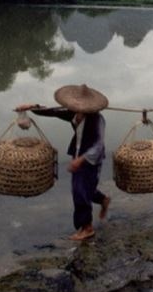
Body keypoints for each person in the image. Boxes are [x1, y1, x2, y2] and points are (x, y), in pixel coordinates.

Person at [15, 84, 110, 241]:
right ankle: (103, 199)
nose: (77, 109)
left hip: (90, 159)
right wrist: (32, 107)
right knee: (85, 188)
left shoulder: (97, 119)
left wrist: (81, 160)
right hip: (77, 154)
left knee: (79, 190)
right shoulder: (73, 113)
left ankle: (87, 228)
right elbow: (52, 111)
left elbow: (98, 145)